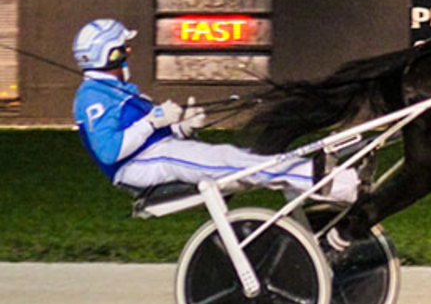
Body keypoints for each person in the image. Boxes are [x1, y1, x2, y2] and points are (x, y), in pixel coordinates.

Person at [71, 18, 359, 202]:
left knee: (238, 158)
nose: (130, 51)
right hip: (138, 167)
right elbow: (108, 150)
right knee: (227, 161)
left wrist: (180, 128)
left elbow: (144, 133)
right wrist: (152, 120)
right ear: (111, 54)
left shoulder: (113, 89)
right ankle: (335, 185)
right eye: (125, 47)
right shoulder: (93, 97)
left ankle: (299, 182)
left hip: (157, 153)